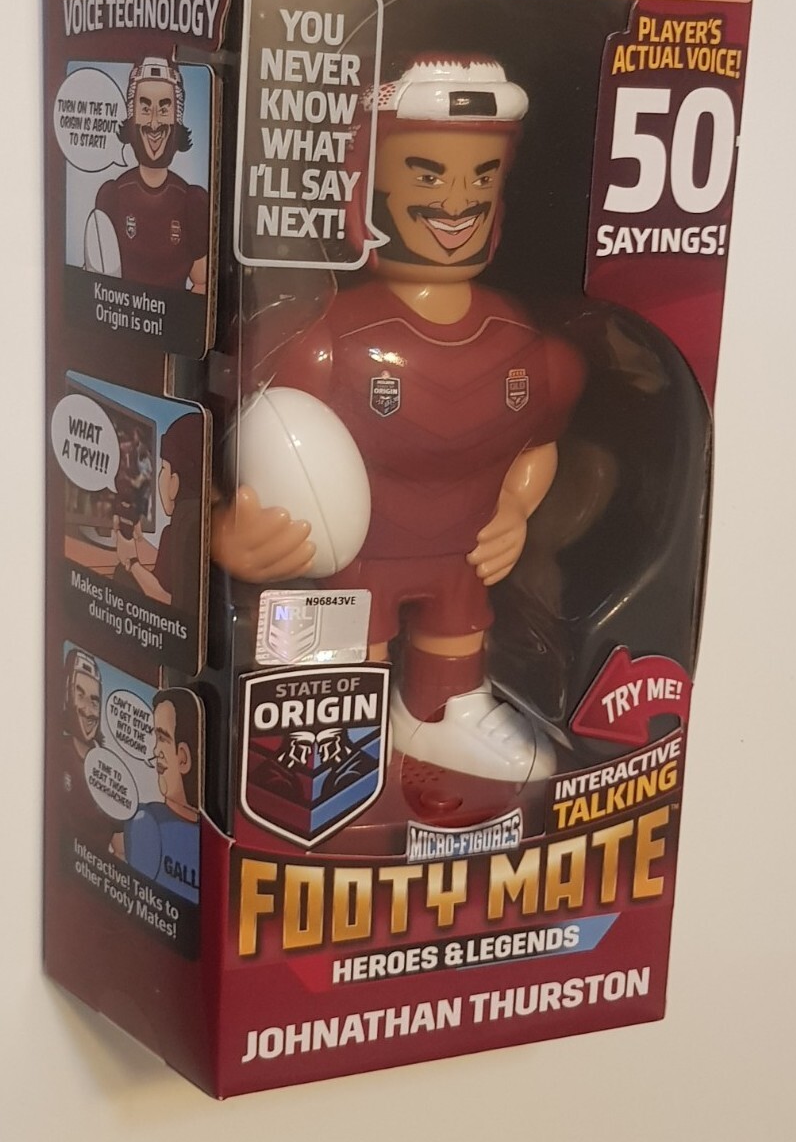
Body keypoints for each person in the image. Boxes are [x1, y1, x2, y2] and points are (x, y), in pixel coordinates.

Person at [214, 56, 584, 802]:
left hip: (462, 553)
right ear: (367, 187)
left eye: (481, 176)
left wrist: (516, 508)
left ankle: (438, 714)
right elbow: (248, 443)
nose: (458, 200)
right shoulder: (324, 338)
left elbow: (538, 445)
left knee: (456, 635)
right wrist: (230, 536)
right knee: (340, 662)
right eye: (428, 173)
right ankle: (330, 723)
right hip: (348, 563)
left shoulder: (521, 340)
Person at [86, 57, 208, 292]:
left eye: (164, 109)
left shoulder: (192, 201)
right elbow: (98, 278)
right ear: (132, 117)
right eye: (144, 109)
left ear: (177, 118)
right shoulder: (112, 195)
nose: (153, 123)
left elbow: (202, 283)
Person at [115, 413, 202, 616]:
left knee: (122, 576)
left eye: (164, 468)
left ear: (175, 482)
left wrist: (131, 561)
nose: (160, 476)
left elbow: (169, 601)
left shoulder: (183, 528)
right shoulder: (196, 522)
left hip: (170, 629)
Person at [123, 689, 201, 904]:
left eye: (162, 738)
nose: (156, 751)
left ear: (183, 757)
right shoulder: (146, 822)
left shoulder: (211, 835)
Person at [58, 649, 120, 850]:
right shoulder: (57, 752)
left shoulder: (110, 770)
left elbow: (120, 849)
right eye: (80, 695)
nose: (88, 710)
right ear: (67, 696)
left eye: (94, 701)